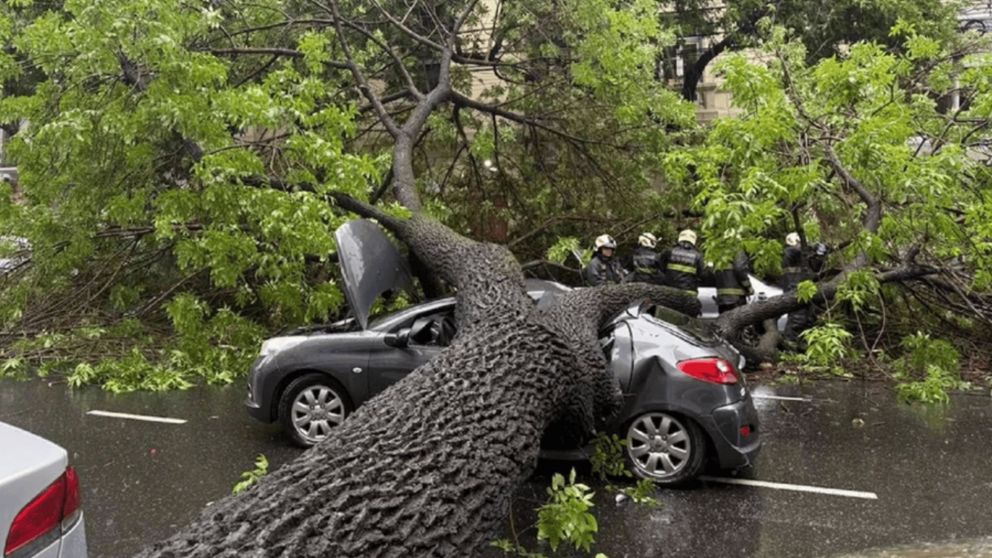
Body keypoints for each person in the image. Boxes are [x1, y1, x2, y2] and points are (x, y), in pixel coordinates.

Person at [660, 229, 706, 296]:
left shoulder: (669, 252)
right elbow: (702, 275)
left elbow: (660, 266)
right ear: (693, 241)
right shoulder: (698, 256)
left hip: (669, 292)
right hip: (689, 293)